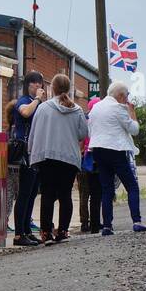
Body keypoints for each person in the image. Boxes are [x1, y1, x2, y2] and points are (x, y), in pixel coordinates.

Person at [87, 81, 146, 235]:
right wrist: (132, 112)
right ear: (120, 95)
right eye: (127, 95)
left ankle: (107, 226)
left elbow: (90, 129)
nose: (127, 99)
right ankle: (137, 221)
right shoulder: (119, 107)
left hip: (97, 149)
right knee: (131, 185)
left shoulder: (96, 107)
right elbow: (134, 129)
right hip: (115, 150)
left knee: (106, 189)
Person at [27, 74, 88, 244]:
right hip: (69, 158)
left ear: (52, 88)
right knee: (65, 195)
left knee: (47, 194)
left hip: (48, 156)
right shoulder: (76, 110)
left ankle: (46, 233)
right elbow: (83, 134)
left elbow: (34, 132)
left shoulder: (44, 108)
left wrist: (31, 150)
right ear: (68, 89)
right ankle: (63, 231)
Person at [4, 72, 44, 246]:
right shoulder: (24, 101)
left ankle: (27, 230)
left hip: (35, 152)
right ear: (30, 85)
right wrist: (36, 100)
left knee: (32, 194)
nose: (39, 88)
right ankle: (19, 234)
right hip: (24, 152)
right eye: (37, 85)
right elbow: (26, 113)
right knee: (23, 194)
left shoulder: (37, 103)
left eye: (41, 85)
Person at [77, 94, 102, 233]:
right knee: (95, 194)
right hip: (90, 160)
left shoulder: (85, 121)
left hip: (83, 160)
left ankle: (84, 222)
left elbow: (80, 141)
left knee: (84, 194)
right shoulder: (97, 123)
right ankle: (94, 221)